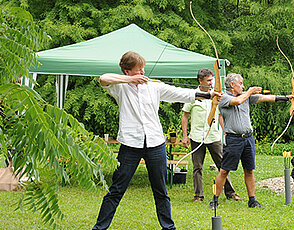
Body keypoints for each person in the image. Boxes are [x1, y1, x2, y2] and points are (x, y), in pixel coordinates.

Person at [93, 51, 222, 230]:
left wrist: (209, 95)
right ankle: (99, 227)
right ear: (126, 71)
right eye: (138, 70)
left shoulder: (153, 86)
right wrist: (130, 81)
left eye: (143, 69)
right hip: (130, 144)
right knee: (117, 189)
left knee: (160, 190)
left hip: (155, 144)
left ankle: (168, 227)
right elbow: (103, 78)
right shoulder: (119, 87)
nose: (143, 73)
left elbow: (180, 93)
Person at [209, 73, 294, 210]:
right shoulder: (223, 98)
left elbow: (264, 97)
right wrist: (249, 91)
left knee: (249, 170)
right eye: (241, 83)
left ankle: (252, 200)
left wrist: (287, 98)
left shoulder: (246, 96)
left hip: (248, 139)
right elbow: (237, 101)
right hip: (233, 139)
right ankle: (215, 200)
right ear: (232, 85)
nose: (243, 86)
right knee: (224, 171)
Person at [181, 68, 242, 202]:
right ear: (200, 80)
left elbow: (220, 115)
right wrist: (185, 136)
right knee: (197, 167)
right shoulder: (193, 95)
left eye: (212, 80)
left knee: (223, 165)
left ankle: (230, 192)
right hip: (197, 137)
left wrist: (225, 131)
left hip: (214, 136)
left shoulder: (217, 95)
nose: (210, 83)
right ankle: (198, 195)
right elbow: (185, 116)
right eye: (208, 80)